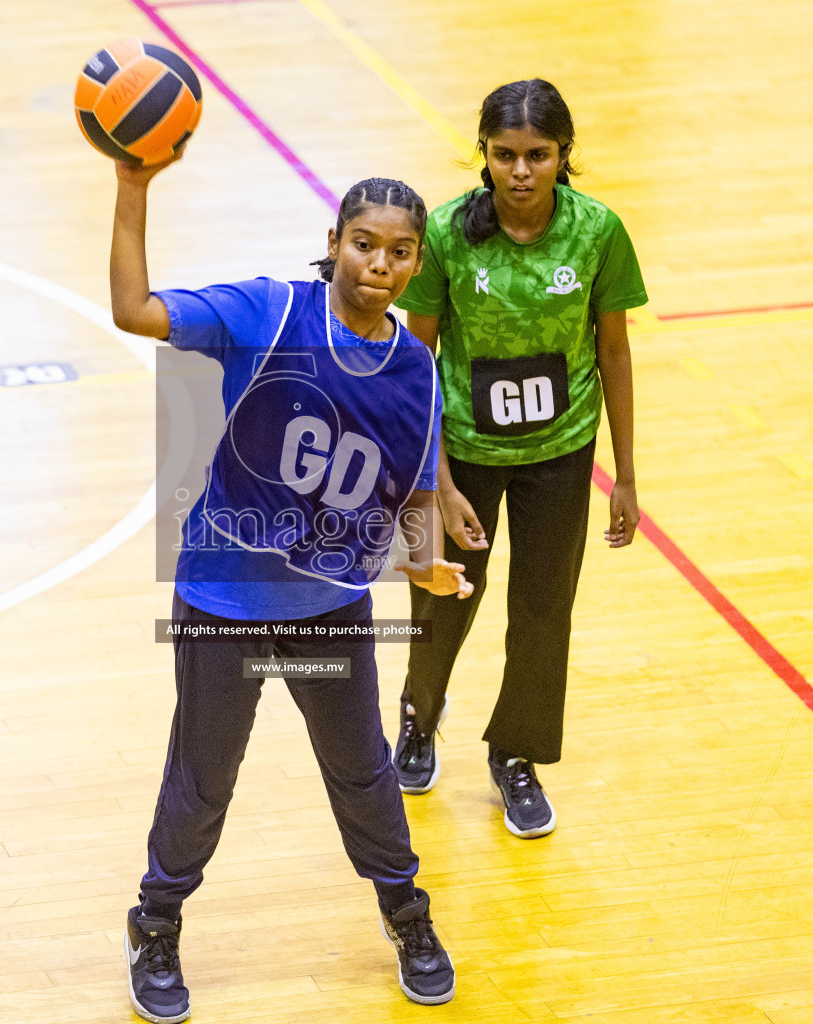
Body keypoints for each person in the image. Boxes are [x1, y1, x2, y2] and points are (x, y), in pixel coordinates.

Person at [109, 149, 470, 1022]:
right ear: (333, 244)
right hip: (224, 607)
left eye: (398, 252)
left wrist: (423, 561)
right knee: (204, 780)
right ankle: (155, 923)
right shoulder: (267, 312)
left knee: (364, 773)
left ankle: (407, 915)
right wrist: (132, 187)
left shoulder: (414, 370)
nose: (379, 266)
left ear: (417, 262)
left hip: (330, 618)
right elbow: (133, 311)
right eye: (363, 245)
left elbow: (416, 490)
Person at [390, 79, 647, 839]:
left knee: (543, 608)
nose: (521, 171)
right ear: (485, 156)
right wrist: (431, 478)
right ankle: (416, 717)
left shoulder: (598, 232)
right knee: (440, 595)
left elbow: (615, 351)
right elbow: (417, 360)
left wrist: (624, 473)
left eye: (538, 155)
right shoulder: (441, 235)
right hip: (457, 452)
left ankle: (517, 756)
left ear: (565, 154)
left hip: (561, 450)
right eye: (505, 155)